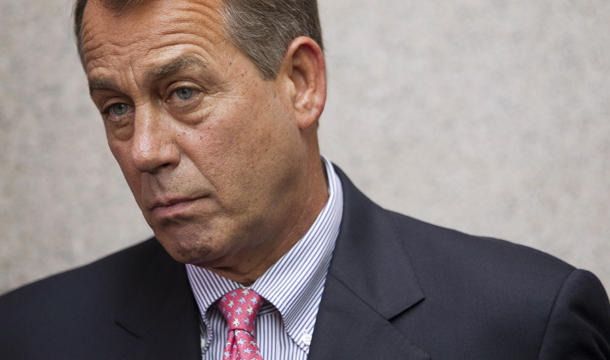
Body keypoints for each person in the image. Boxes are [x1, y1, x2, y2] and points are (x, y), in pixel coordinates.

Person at [1, 0, 609, 358]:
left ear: (300, 83)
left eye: (183, 93)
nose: (144, 151)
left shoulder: (524, 325)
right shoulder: (28, 336)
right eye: (116, 108)